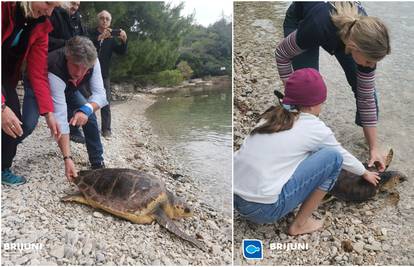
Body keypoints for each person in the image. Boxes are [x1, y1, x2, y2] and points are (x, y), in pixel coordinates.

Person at [234, 68, 381, 235]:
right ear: (315, 103)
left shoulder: (271, 116)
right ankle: (299, 225)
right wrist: (364, 172)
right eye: (322, 102)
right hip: (264, 210)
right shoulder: (315, 127)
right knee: (333, 158)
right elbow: (341, 155)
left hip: (235, 198)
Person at [275, 2, 390, 171]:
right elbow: (281, 54)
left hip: (338, 31)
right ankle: (302, 137)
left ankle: (368, 147)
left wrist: (374, 147)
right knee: (307, 90)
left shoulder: (366, 35)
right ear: (352, 47)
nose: (370, 65)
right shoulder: (316, 26)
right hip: (303, 20)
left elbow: (365, 96)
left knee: (366, 89)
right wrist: (292, 91)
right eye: (368, 61)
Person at [1, 2, 61, 186]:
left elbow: (38, 73)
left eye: (54, 7)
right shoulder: (5, 8)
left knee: (14, 121)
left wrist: (49, 113)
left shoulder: (42, 25)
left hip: (6, 74)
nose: (49, 12)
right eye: (48, 3)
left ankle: (3, 168)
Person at [22, 1, 88, 144]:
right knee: (27, 124)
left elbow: (85, 44)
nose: (74, 7)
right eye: (72, 3)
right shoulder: (49, 15)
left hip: (64, 75)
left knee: (85, 108)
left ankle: (96, 159)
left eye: (77, 4)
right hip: (48, 70)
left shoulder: (78, 21)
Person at [48, 36, 108, 179]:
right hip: (41, 84)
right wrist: (67, 158)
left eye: (85, 68)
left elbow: (101, 95)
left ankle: (97, 161)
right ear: (68, 56)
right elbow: (60, 118)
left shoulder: (93, 61)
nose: (79, 73)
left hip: (71, 88)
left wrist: (85, 110)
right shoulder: (55, 64)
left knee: (90, 116)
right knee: (28, 123)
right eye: (76, 65)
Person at [89, 10, 128, 138]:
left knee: (105, 102)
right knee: (88, 101)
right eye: (102, 18)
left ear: (110, 22)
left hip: (104, 74)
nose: (104, 21)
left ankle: (106, 129)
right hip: (87, 72)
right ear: (98, 20)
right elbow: (85, 45)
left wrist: (124, 41)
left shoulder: (111, 38)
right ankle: (89, 128)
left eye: (107, 19)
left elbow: (121, 52)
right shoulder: (91, 33)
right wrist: (99, 38)